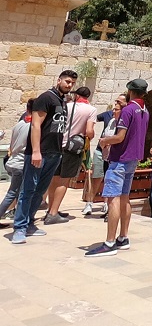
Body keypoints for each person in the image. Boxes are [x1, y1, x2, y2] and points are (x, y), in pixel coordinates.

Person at [11, 69, 77, 244]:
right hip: (40, 152)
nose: (70, 85)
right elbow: (36, 125)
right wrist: (36, 151)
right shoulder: (46, 98)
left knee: (40, 191)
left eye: (72, 83)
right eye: (67, 81)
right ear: (59, 80)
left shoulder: (61, 101)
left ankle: (30, 222)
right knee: (28, 190)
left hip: (55, 153)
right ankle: (19, 227)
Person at [85, 78, 149, 256]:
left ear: (130, 91)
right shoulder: (145, 111)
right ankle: (123, 237)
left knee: (113, 198)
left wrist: (105, 140)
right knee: (124, 197)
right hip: (133, 159)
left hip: (120, 159)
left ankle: (110, 242)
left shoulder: (128, 110)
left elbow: (120, 137)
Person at [45, 86, 97, 224]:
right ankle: (54, 212)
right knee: (65, 180)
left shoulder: (66, 106)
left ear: (77, 95)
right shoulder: (91, 110)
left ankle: (50, 209)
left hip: (57, 145)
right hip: (72, 149)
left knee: (54, 179)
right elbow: (89, 131)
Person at [86, 94, 127, 217]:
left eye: (116, 108)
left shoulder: (124, 122)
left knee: (112, 182)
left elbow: (118, 138)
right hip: (104, 154)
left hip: (114, 156)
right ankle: (90, 203)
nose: (113, 111)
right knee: (99, 177)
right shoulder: (111, 120)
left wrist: (106, 141)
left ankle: (109, 209)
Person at [0, 100, 32, 224]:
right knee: (13, 193)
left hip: (12, 162)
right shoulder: (32, 127)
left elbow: (11, 145)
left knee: (18, 193)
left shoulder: (19, 125)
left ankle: (19, 216)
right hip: (20, 164)